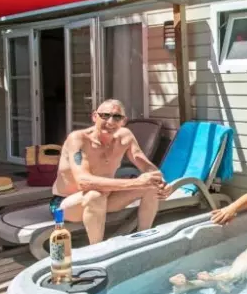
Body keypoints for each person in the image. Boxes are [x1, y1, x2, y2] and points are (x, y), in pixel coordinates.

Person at [51, 99, 172, 244]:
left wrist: (161, 182)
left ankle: (144, 238)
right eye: (105, 115)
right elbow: (83, 182)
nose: (110, 121)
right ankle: (97, 250)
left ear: (124, 121)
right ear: (94, 116)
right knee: (94, 195)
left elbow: (147, 166)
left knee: (151, 185)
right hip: (67, 204)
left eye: (117, 117)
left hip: (105, 197)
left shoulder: (125, 137)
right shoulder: (78, 139)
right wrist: (137, 182)